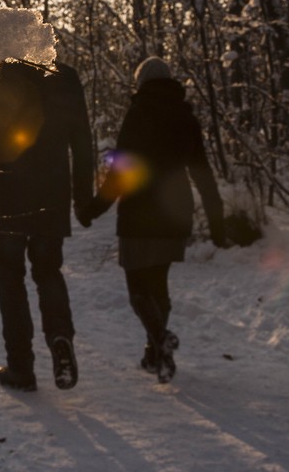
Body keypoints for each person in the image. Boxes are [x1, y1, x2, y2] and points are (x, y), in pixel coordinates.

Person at [0, 60, 96, 392]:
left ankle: (21, 367)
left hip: (8, 198)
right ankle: (60, 336)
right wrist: (83, 198)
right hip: (52, 198)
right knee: (48, 272)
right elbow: (82, 143)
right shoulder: (66, 78)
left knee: (10, 282)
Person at [83, 56, 225, 385]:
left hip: (140, 212)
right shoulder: (186, 118)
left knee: (137, 287)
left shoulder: (140, 112)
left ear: (141, 82)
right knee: (158, 282)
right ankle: (155, 352)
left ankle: (160, 338)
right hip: (176, 214)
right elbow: (203, 174)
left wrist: (94, 209)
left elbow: (121, 169)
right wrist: (217, 222)